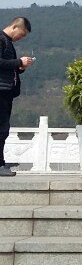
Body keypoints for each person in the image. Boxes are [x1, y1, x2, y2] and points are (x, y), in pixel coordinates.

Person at [0, 17, 34, 177]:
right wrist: (18, 61)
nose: (21, 38)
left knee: (4, 129)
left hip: (7, 91)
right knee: (1, 129)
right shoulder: (1, 40)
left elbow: (8, 66)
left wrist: (20, 67)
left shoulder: (8, 44)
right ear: (15, 27)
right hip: (1, 90)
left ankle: (1, 162)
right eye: (22, 34)